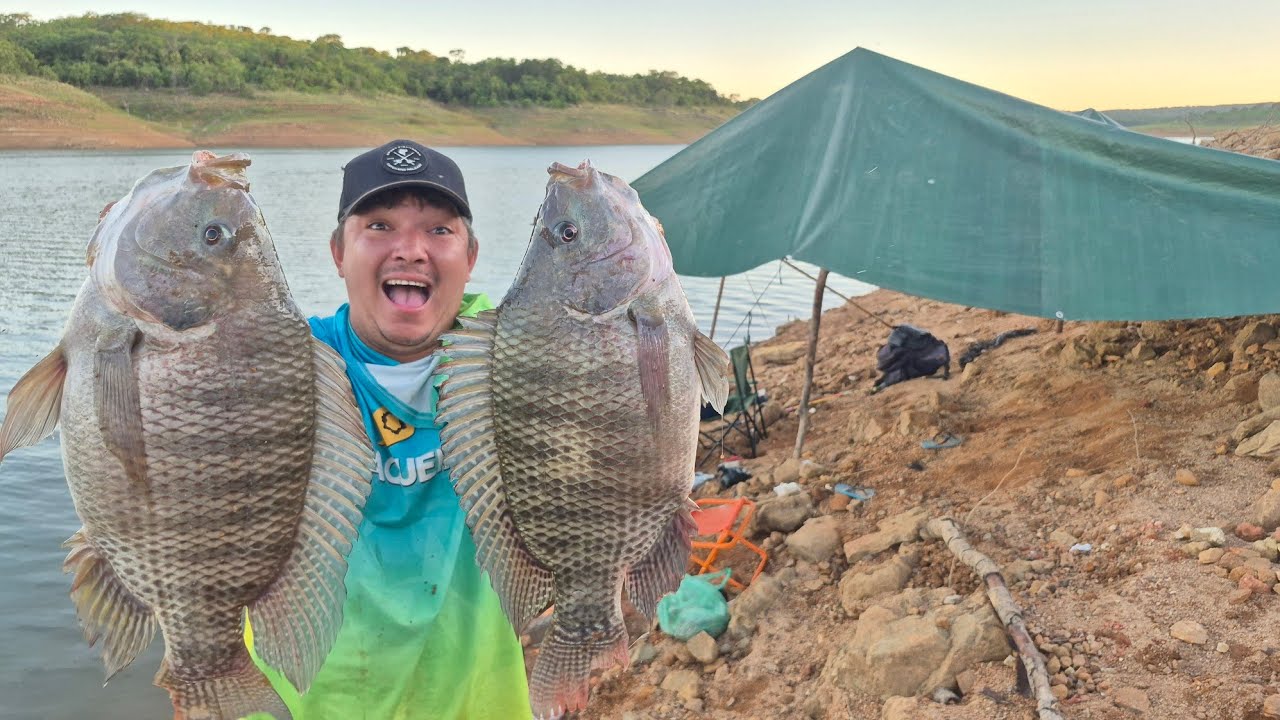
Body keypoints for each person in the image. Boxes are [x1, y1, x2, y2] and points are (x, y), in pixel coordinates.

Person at [247, 139, 533, 719]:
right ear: (338, 252)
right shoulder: (276, 369)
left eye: (439, 231)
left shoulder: (519, 366)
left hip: (473, 695)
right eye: (379, 225)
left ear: (471, 256)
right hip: (296, 699)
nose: (411, 250)